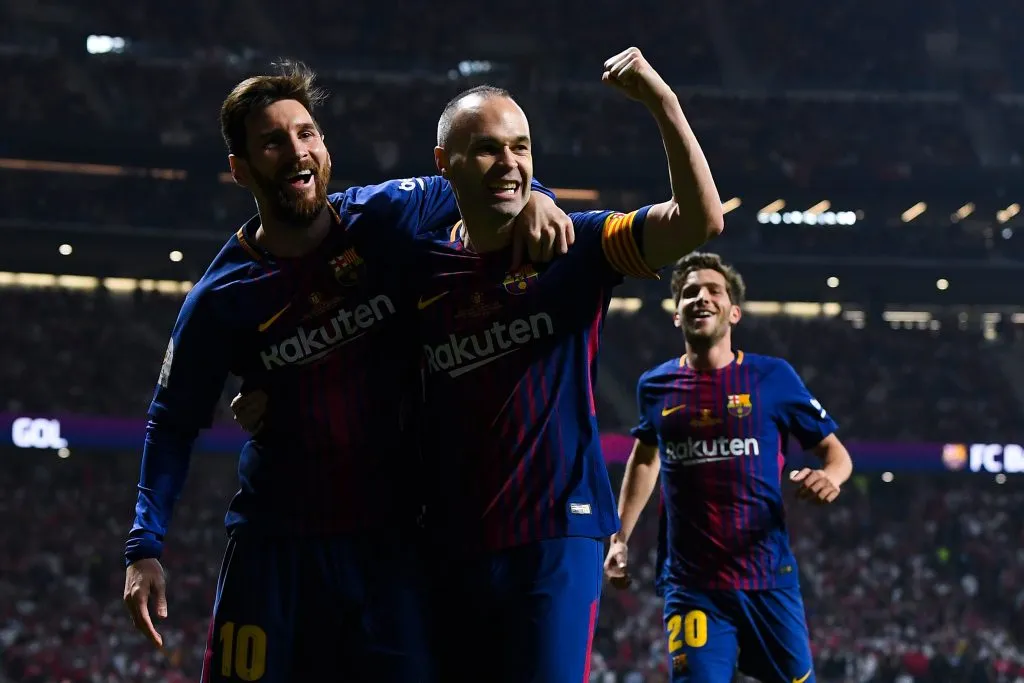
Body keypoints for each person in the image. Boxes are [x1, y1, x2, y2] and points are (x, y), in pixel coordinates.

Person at [120, 61, 573, 683]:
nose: (297, 151)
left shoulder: (388, 216)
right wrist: (145, 546)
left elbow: (495, 174)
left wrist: (541, 201)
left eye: (307, 133)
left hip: (391, 545)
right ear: (241, 169)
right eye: (274, 141)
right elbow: (170, 422)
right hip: (275, 547)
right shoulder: (221, 298)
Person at [413, 47, 723, 681]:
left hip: (558, 532)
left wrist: (663, 103)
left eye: (522, 147)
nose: (510, 163)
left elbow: (700, 221)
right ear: (445, 165)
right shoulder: (414, 269)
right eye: (489, 149)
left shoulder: (577, 245)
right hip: (448, 536)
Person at [605, 252, 854, 683]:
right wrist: (620, 537)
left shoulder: (772, 378)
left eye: (712, 290)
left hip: (767, 579)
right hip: (692, 586)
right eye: (689, 293)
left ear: (733, 311)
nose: (700, 298)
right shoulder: (655, 385)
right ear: (676, 314)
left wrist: (830, 477)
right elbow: (645, 457)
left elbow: (837, 455)